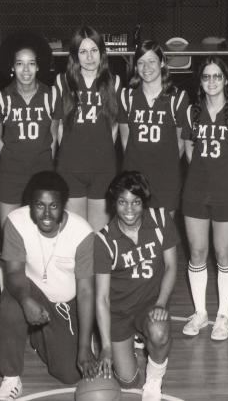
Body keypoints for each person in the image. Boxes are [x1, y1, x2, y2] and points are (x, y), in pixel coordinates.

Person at [0, 171, 98, 401]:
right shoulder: (16, 222)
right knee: (10, 307)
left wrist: (84, 347)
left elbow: (86, 292)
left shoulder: (82, 233)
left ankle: (39, 336)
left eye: (54, 206)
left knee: (70, 374)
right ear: (31, 204)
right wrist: (25, 300)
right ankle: (11, 378)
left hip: (64, 304)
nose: (47, 214)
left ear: (64, 206)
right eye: (40, 205)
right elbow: (13, 272)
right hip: (29, 289)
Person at [180, 58, 228, 340]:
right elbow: (189, 149)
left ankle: (223, 315)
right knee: (197, 252)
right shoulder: (192, 113)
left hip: (227, 194)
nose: (211, 82)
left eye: (217, 77)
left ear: (226, 80)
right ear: (200, 82)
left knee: (223, 254)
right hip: (196, 192)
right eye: (206, 77)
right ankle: (201, 312)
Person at [95, 171, 177, 401]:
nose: (129, 209)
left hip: (149, 306)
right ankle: (126, 342)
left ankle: (154, 380)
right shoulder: (103, 241)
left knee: (159, 330)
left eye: (135, 202)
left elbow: (171, 266)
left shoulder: (161, 220)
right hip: (119, 314)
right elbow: (101, 298)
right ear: (114, 203)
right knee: (128, 381)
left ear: (144, 202)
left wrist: (161, 303)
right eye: (122, 202)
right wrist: (106, 346)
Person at [55, 25, 122, 231]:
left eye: (94, 50)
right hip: (71, 166)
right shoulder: (62, 81)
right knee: (75, 235)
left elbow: (114, 126)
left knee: (97, 235)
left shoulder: (114, 81)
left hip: (102, 167)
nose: (89, 57)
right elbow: (58, 127)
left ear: (102, 52)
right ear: (75, 55)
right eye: (83, 51)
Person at [0, 30, 59, 225]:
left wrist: (43, 165)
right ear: (12, 67)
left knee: (40, 233)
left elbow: (53, 137)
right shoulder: (1, 98)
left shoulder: (52, 96)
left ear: (38, 66)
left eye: (31, 63)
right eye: (20, 63)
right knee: (9, 233)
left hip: (42, 174)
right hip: (10, 175)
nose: (26, 70)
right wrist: (14, 159)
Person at [118, 40, 188, 213]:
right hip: (134, 177)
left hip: (166, 178)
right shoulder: (127, 97)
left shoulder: (178, 98)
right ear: (135, 66)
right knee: (134, 232)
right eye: (140, 62)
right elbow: (126, 141)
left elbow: (180, 144)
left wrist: (163, 164)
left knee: (164, 234)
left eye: (151, 61)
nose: (146, 67)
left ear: (162, 62)